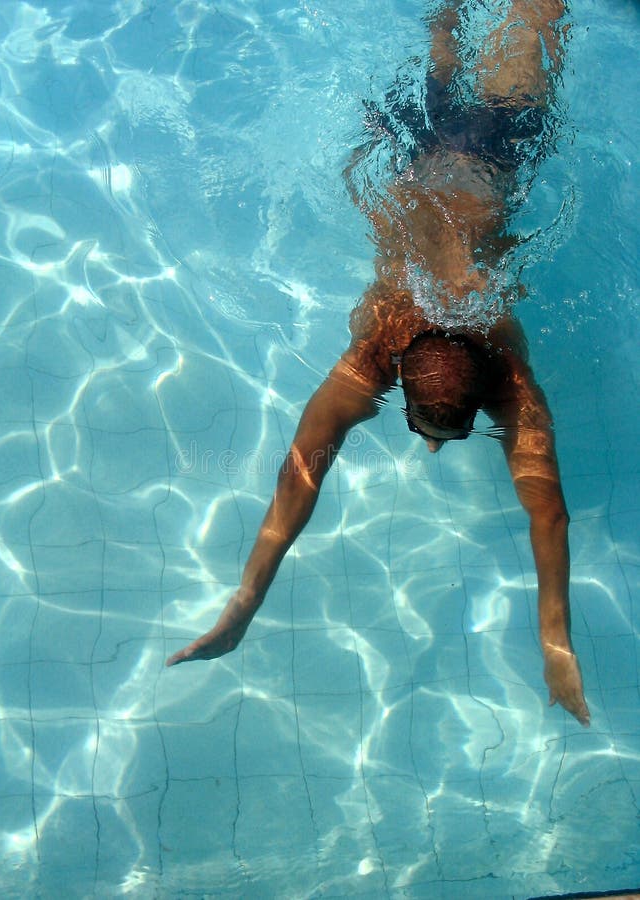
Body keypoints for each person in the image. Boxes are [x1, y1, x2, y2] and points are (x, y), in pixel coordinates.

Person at [166, 0, 590, 726]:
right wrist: (243, 604)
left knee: (524, 28)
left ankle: (462, 18)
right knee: (461, 63)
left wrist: (558, 645)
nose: (432, 443)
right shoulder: (393, 351)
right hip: (421, 160)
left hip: (486, 156)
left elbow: (551, 515)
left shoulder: (463, 361)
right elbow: (298, 476)